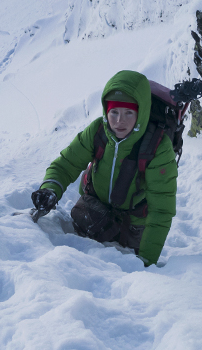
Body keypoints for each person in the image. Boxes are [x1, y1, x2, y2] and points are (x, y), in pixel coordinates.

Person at [31, 70, 193, 266]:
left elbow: (161, 210)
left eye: (128, 113)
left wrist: (146, 261)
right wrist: (50, 189)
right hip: (93, 210)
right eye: (114, 112)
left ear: (141, 112)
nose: (119, 121)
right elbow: (67, 164)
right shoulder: (98, 130)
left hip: (133, 226)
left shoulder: (157, 147)